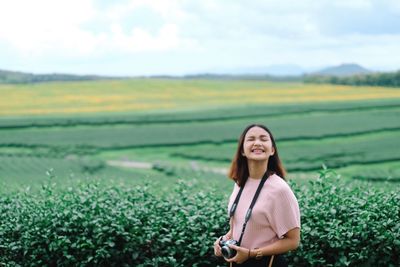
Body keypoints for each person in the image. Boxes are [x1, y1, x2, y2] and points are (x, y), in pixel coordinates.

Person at [213, 124, 300, 267]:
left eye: (263, 139)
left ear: (272, 150)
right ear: (242, 150)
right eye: (251, 139)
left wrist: (251, 253)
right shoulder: (240, 183)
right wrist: (224, 240)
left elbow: (293, 241)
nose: (257, 143)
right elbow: (242, 224)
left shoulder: (280, 190)